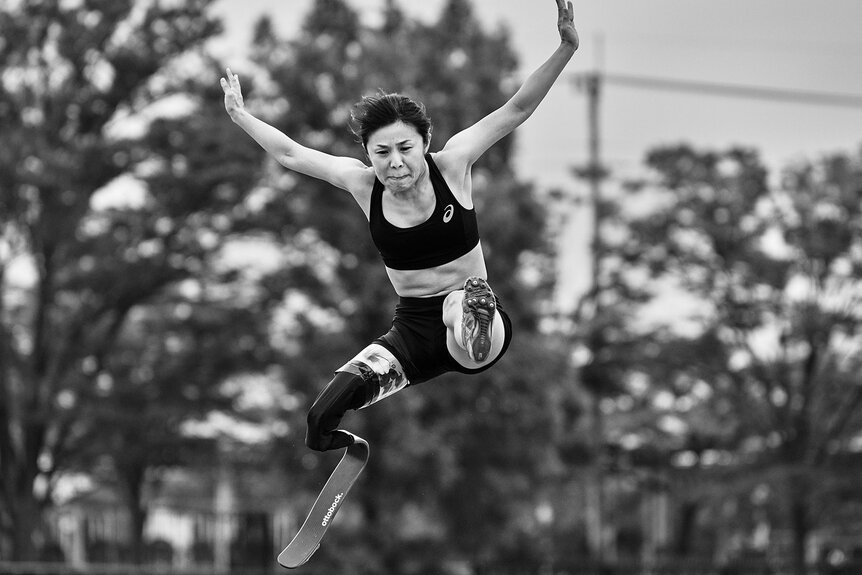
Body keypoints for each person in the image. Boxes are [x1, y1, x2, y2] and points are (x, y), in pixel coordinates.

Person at [221, 0, 578, 452]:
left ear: (424, 142)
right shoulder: (361, 183)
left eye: (405, 148)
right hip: (410, 330)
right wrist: (241, 115)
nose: (395, 163)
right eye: (381, 152)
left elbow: (516, 108)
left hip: (469, 325)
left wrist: (565, 48)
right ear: (368, 154)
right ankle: (342, 445)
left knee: (458, 308)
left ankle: (473, 315)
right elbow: (292, 154)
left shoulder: (453, 164)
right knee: (320, 416)